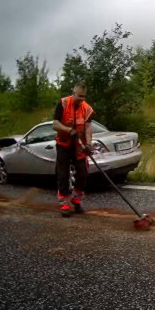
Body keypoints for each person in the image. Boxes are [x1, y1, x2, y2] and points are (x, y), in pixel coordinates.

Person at [53, 81, 94, 217]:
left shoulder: (87, 109)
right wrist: (68, 130)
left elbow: (88, 128)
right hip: (63, 144)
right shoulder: (63, 103)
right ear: (73, 93)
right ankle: (64, 203)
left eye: (83, 97)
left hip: (79, 147)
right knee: (63, 174)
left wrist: (88, 144)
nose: (81, 99)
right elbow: (55, 124)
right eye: (79, 96)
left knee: (83, 173)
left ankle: (76, 200)